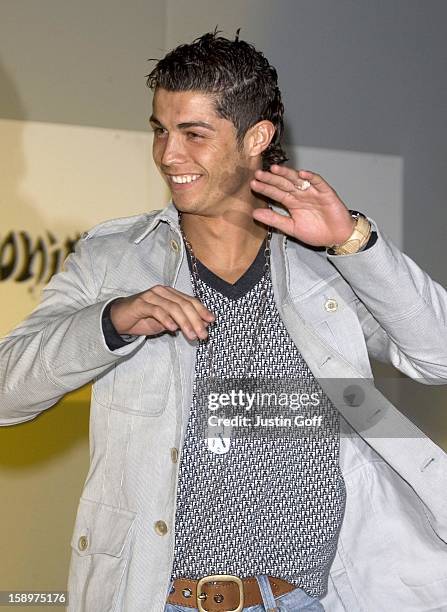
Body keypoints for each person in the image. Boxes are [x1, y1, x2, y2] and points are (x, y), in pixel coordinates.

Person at [1, 30, 446, 612]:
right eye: (160, 130)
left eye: (193, 134)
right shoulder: (113, 260)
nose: (167, 154)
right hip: (163, 600)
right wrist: (111, 321)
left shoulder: (326, 269)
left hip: (314, 598)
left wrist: (354, 242)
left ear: (257, 137)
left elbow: (437, 357)